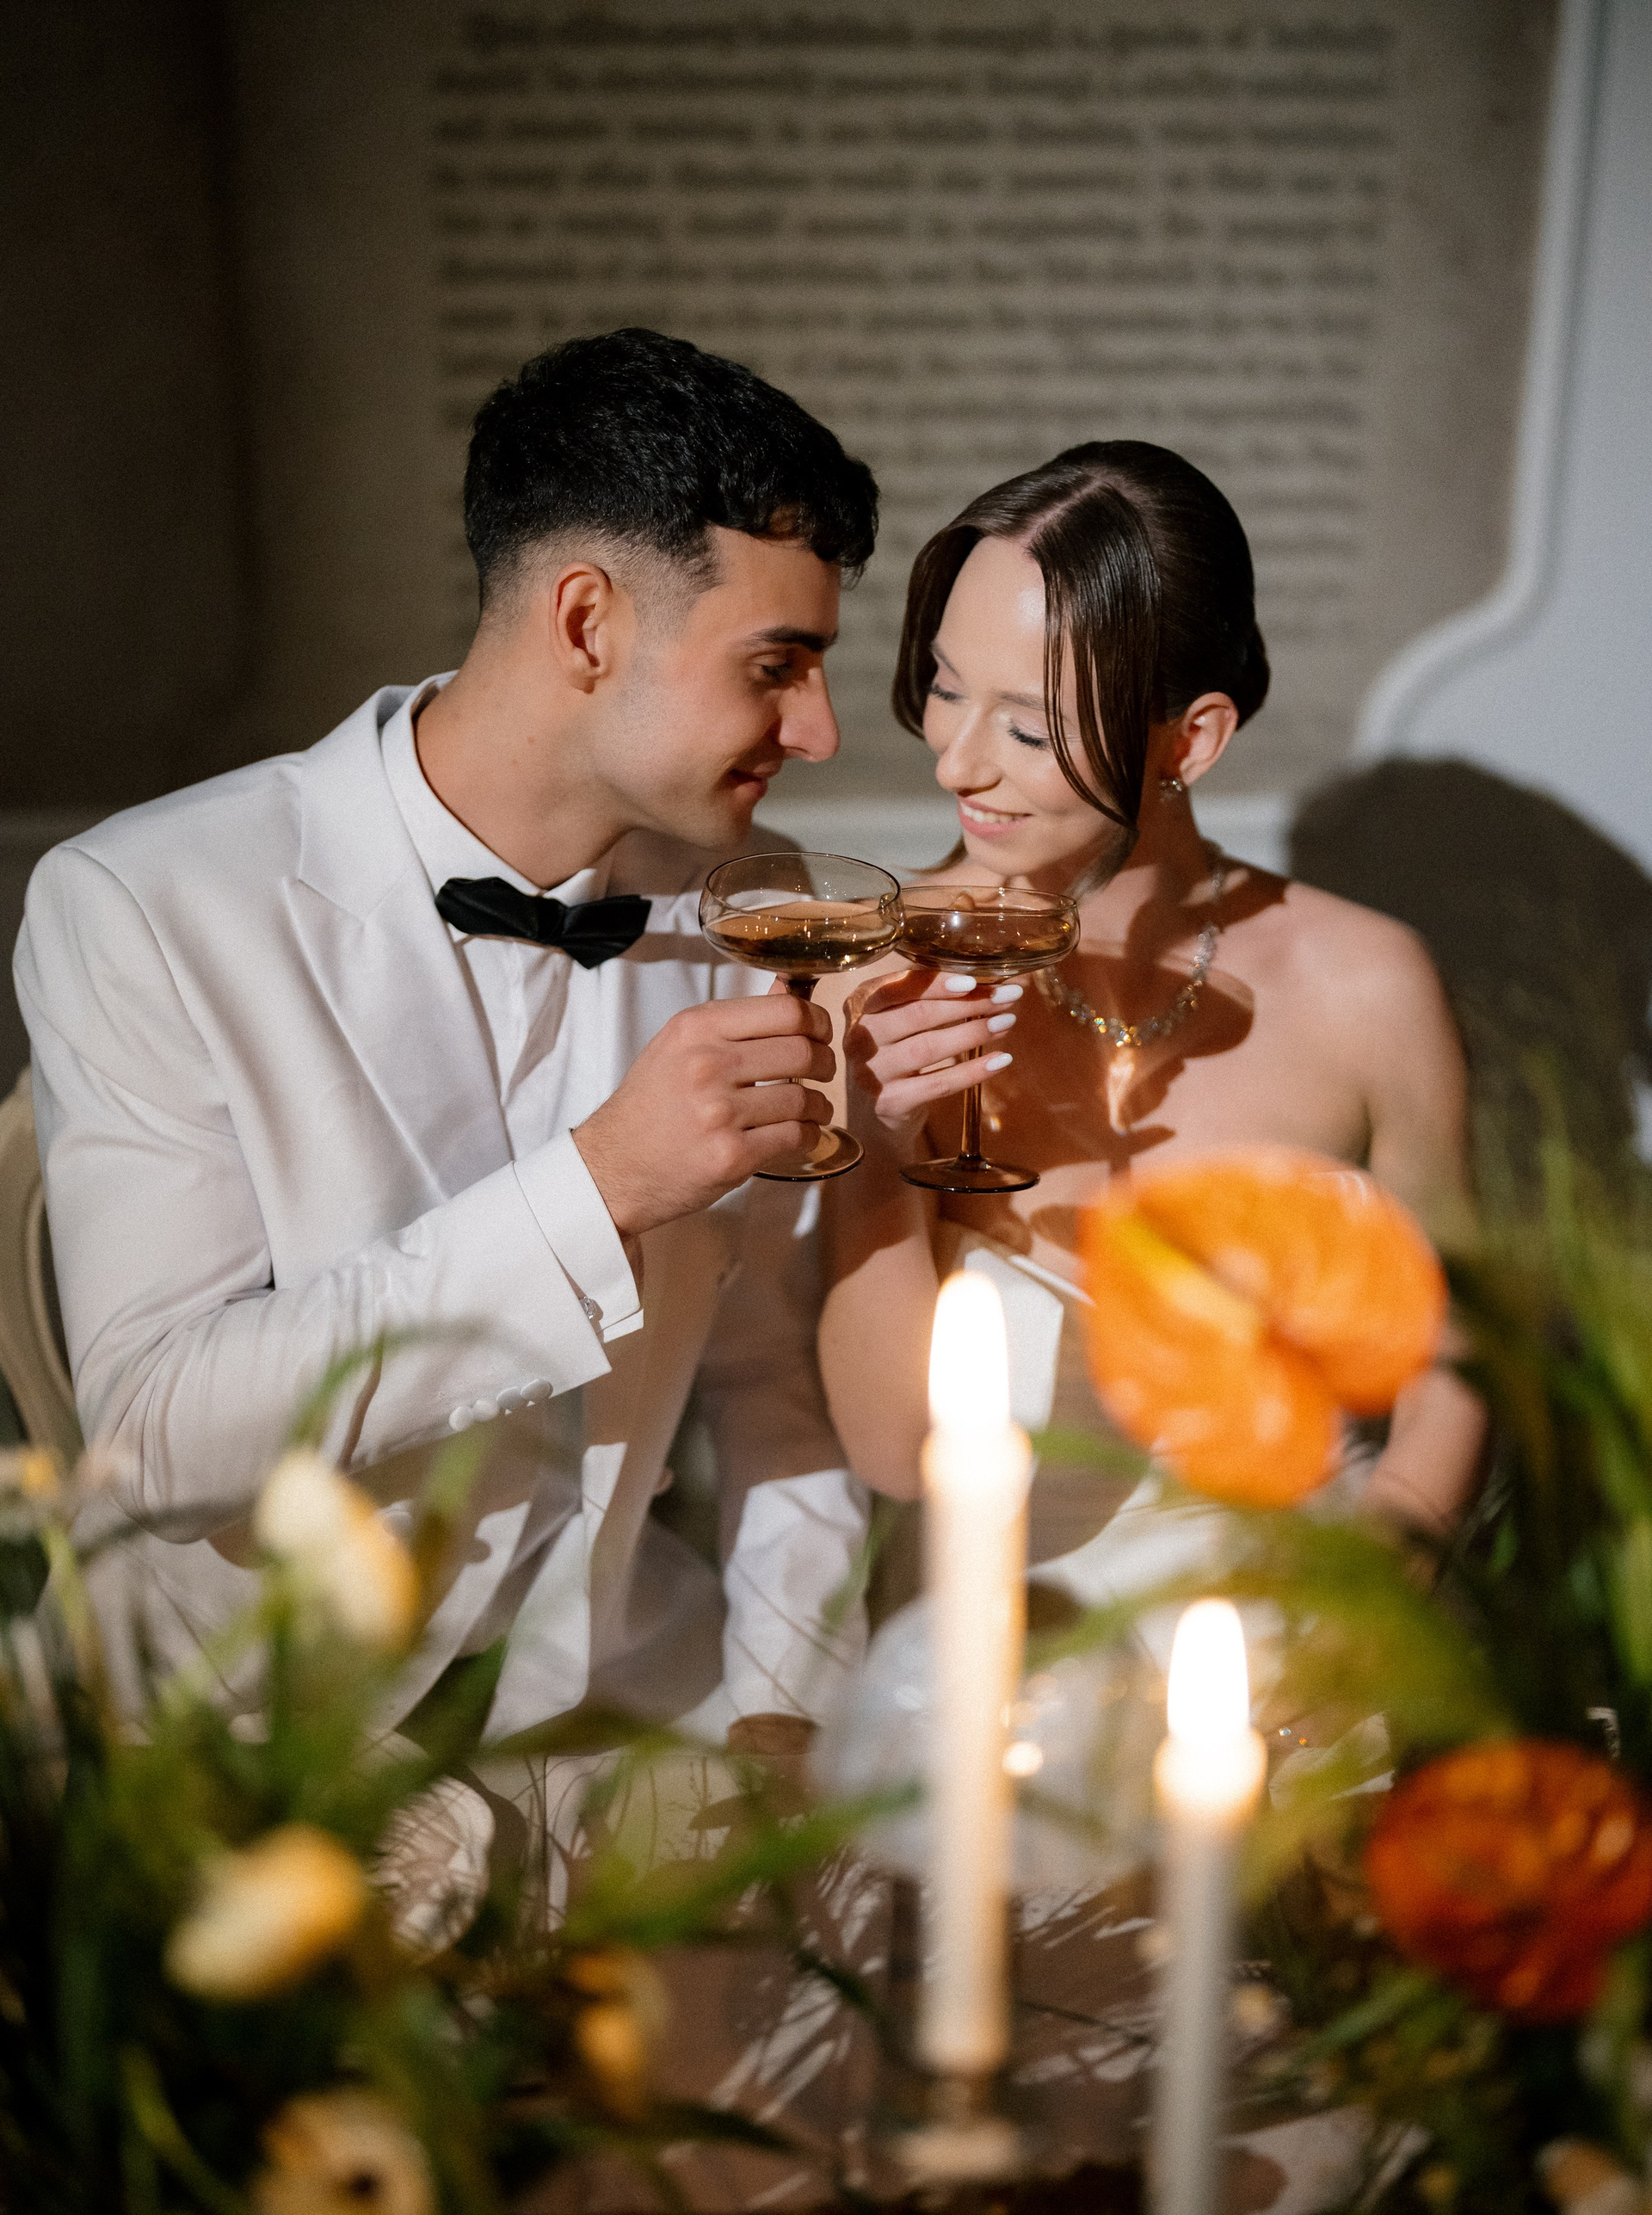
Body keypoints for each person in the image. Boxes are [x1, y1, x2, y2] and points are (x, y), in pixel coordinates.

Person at [15, 328, 878, 1802]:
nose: (819, 729)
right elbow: (153, 1437)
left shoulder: (760, 906)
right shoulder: (148, 905)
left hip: (610, 1710)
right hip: (224, 1747)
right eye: (776, 666)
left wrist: (786, 1717)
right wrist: (600, 1189)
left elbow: (769, 1377)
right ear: (589, 623)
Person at [818, 441, 1486, 1628]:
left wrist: (1382, 1583)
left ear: (1191, 739)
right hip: (981, 1657)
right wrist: (876, 1143)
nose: (957, 761)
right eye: (945, 687)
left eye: (1029, 730)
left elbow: (1458, 1351)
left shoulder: (1366, 985)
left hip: (1291, 1637)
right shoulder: (881, 978)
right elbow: (890, 1447)